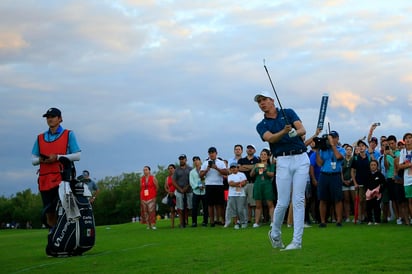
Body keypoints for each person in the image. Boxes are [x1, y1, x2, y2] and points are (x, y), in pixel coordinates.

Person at [254, 91, 310, 251]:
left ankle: (297, 241)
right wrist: (285, 132)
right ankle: (275, 233)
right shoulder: (261, 125)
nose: (262, 103)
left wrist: (294, 131)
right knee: (283, 202)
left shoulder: (288, 112)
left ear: (272, 100)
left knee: (298, 200)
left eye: (264, 100)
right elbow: (270, 138)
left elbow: (302, 129)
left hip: (300, 158)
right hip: (283, 160)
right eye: (259, 102)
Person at [31, 107, 81, 228]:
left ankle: (69, 236)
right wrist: (41, 160)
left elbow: (77, 156)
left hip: (63, 178)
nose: (50, 119)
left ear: (60, 119)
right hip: (45, 179)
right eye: (48, 117)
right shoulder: (40, 137)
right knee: (49, 213)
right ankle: (53, 237)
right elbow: (33, 160)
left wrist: (58, 157)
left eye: (53, 117)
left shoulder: (68, 134)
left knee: (67, 210)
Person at [316, 130, 346, 227]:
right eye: (330, 138)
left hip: (335, 175)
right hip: (324, 175)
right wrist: (317, 149)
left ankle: (339, 221)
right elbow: (319, 163)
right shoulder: (323, 149)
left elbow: (338, 157)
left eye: (333, 137)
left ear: (337, 139)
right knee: (322, 199)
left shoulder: (341, 149)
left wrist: (333, 145)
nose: (331, 139)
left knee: (337, 199)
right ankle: (323, 221)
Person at [200, 147, 229, 227]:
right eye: (210, 153)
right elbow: (200, 175)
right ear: (208, 154)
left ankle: (221, 220)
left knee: (220, 204)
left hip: (219, 185)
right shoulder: (205, 163)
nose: (211, 154)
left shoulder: (220, 162)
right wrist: (207, 170)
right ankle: (212, 221)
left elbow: (226, 172)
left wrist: (217, 168)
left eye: (213, 152)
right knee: (210, 204)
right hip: (209, 185)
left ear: (216, 153)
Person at [250, 148, 275, 228]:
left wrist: (266, 170)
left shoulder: (271, 165)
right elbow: (252, 175)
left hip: (267, 184)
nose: (263, 156)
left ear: (268, 156)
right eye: (261, 154)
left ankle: (273, 221)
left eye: (265, 154)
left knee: (270, 204)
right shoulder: (258, 165)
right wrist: (255, 167)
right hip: (258, 184)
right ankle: (257, 222)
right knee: (258, 205)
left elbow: (271, 174)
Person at [238, 145, 260, 224]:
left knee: (253, 203)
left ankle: (254, 218)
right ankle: (248, 218)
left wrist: (246, 166)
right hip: (243, 183)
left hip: (252, 183)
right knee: (245, 203)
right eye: (248, 148)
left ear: (254, 151)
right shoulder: (241, 159)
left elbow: (258, 167)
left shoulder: (257, 159)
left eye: (251, 149)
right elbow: (239, 168)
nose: (250, 150)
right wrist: (252, 167)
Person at [351, 139, 371, 223]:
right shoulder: (355, 158)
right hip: (359, 182)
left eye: (363, 146)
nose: (361, 147)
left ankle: (366, 216)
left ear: (366, 147)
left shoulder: (369, 157)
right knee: (360, 201)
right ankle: (359, 217)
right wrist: (355, 183)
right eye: (360, 146)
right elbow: (352, 171)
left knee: (367, 200)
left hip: (368, 182)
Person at [395, 132, 412, 225]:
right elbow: (400, 166)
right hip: (407, 179)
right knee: (410, 200)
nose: (408, 140)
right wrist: (409, 165)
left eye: (410, 138)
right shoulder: (403, 152)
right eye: (406, 138)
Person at [225, 163, 248, 229]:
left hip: (241, 194)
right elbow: (231, 184)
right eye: (232, 168)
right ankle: (236, 223)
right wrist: (239, 183)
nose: (233, 169)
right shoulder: (230, 176)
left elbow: (244, 183)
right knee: (234, 210)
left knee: (240, 209)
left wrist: (236, 184)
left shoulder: (242, 174)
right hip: (232, 194)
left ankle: (243, 221)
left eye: (234, 167)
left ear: (237, 168)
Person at [172, 154, 193, 228]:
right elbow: (173, 181)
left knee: (190, 207)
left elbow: (192, 179)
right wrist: (180, 189)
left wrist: (187, 186)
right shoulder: (177, 170)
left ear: (186, 160)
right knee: (180, 208)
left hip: (189, 190)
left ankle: (190, 222)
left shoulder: (190, 169)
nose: (181, 160)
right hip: (179, 191)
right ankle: (181, 223)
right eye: (180, 159)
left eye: (183, 159)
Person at [189, 156, 208, 227]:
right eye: (194, 160)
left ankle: (205, 221)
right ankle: (194, 222)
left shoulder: (204, 170)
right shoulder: (192, 172)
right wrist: (197, 186)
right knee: (194, 207)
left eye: (197, 160)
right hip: (196, 191)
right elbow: (191, 182)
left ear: (200, 161)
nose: (196, 161)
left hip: (204, 191)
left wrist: (204, 185)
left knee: (205, 207)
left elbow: (207, 178)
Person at [365, 160, 385, 225]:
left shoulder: (380, 174)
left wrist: (379, 191)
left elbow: (384, 184)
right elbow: (366, 184)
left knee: (377, 207)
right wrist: (368, 191)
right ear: (369, 166)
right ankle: (369, 220)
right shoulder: (367, 174)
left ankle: (377, 221)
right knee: (368, 207)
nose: (373, 166)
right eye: (371, 165)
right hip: (369, 194)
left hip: (377, 195)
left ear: (377, 166)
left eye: (374, 165)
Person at [341, 145, 355, 222]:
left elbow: (355, 171)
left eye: (350, 150)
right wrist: (343, 180)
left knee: (354, 199)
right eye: (347, 150)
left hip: (352, 182)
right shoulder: (343, 160)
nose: (349, 151)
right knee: (346, 200)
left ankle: (356, 216)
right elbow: (341, 171)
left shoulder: (353, 159)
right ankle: (347, 217)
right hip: (344, 182)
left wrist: (351, 179)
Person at [164, 164, 176, 228]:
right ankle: (172, 225)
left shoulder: (177, 176)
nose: (170, 170)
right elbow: (165, 187)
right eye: (169, 169)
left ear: (174, 169)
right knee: (172, 210)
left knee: (180, 209)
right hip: (170, 195)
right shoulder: (167, 178)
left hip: (177, 193)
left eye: (171, 168)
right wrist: (169, 192)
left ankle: (183, 222)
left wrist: (175, 192)